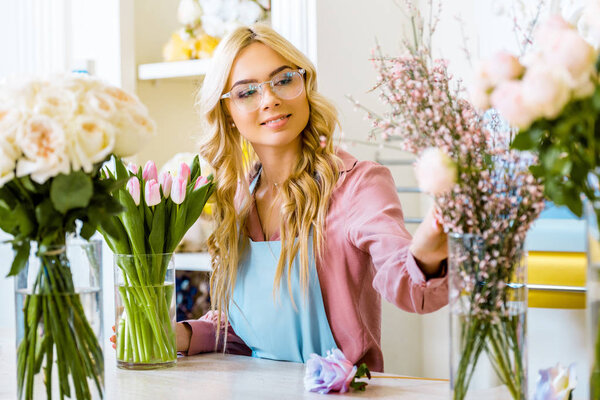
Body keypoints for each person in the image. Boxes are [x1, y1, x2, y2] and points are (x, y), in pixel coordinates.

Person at [113, 24, 449, 373]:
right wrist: (178, 334)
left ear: (304, 86)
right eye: (246, 92)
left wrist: (426, 250)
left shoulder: (356, 184)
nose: (271, 98)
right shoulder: (237, 197)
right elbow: (249, 333)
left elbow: (411, 289)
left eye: (284, 79)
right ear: (228, 112)